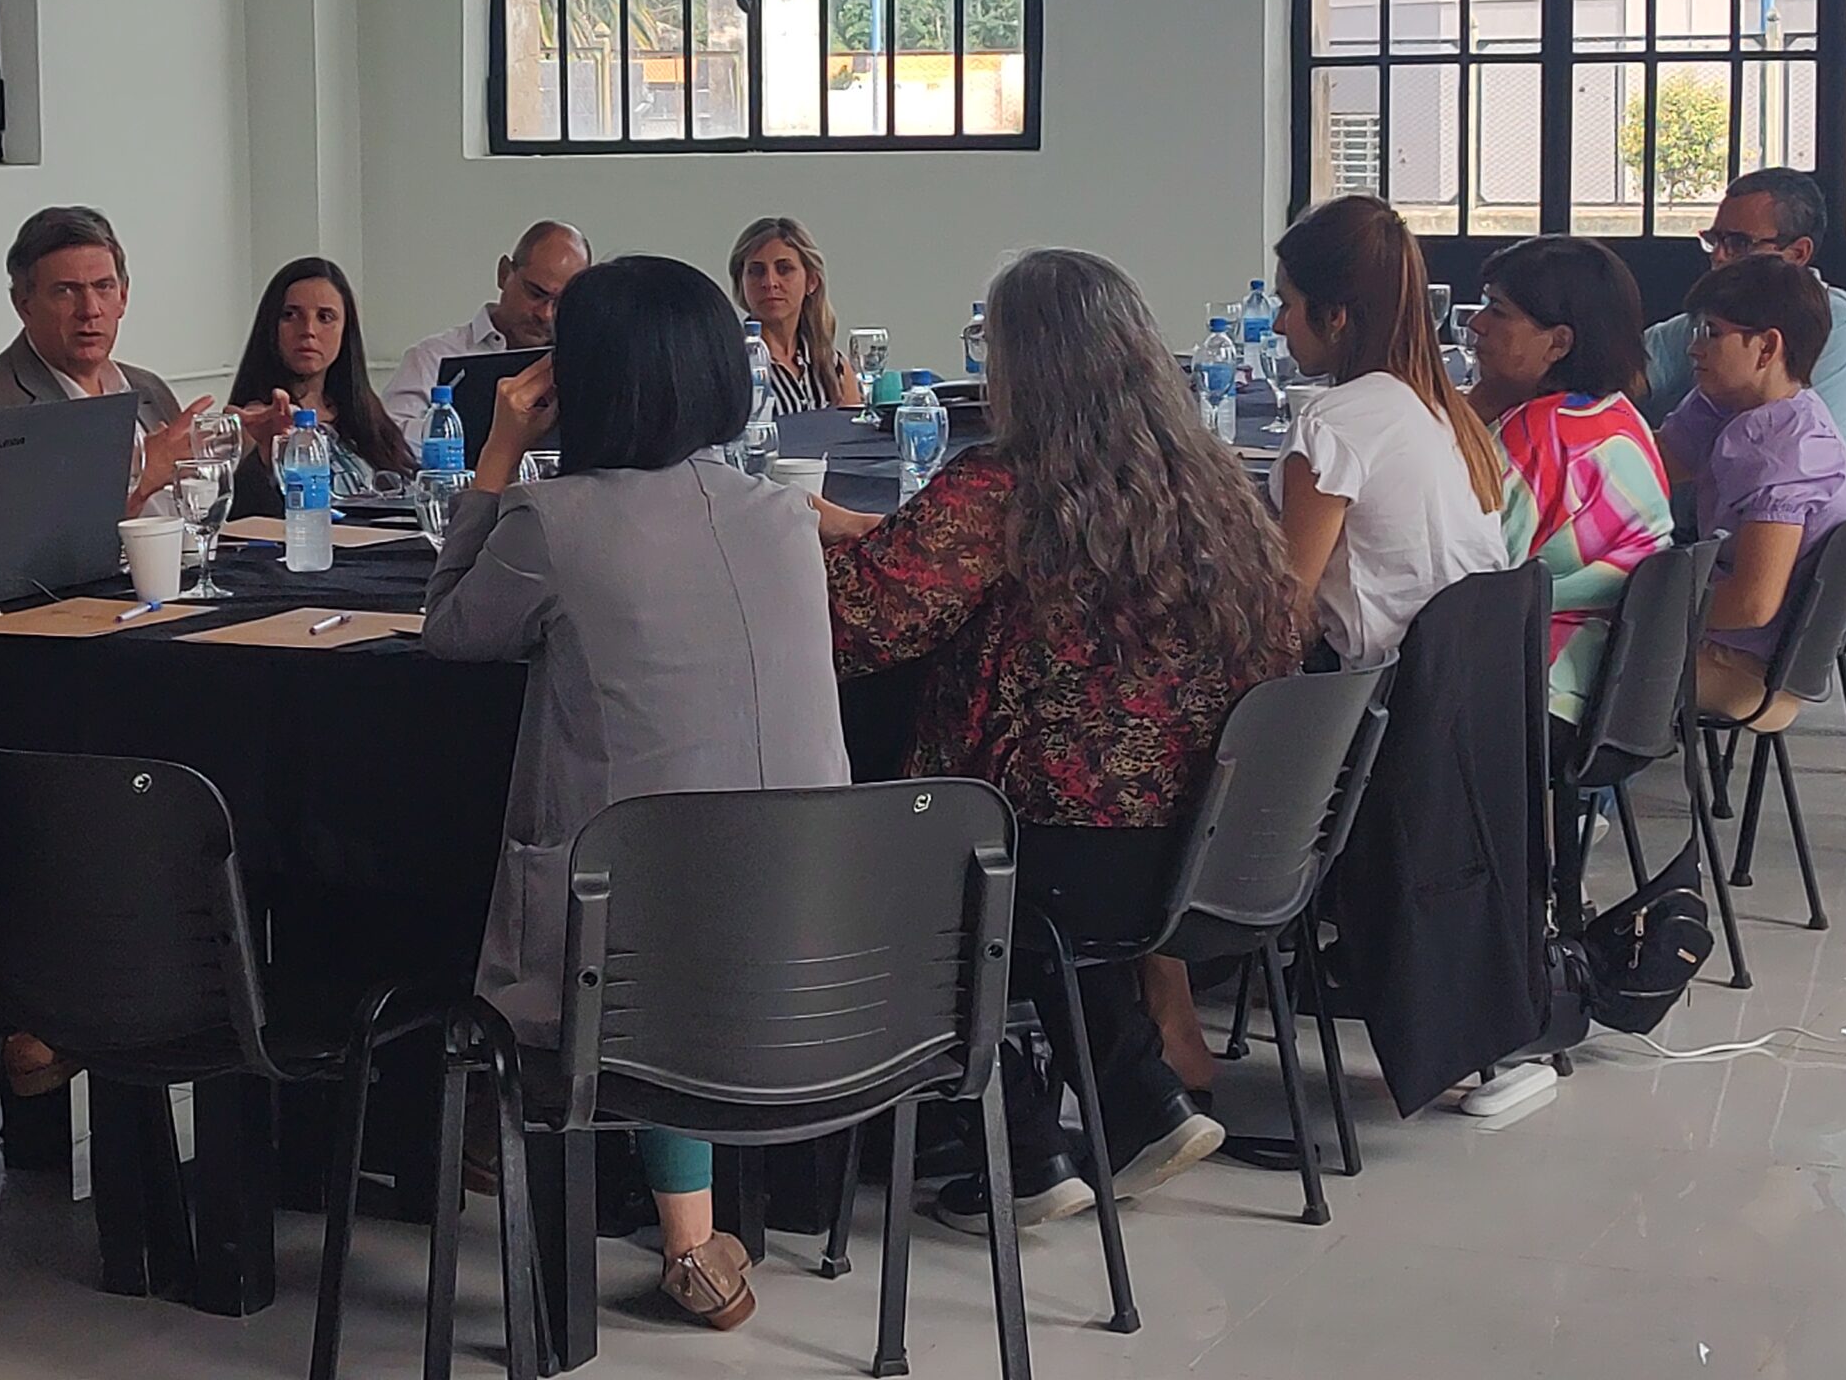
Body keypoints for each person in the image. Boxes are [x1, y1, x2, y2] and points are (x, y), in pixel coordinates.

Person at [816, 251, 1305, 1232]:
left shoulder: (1003, 486)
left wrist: (790, 540)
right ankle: (1140, 1106)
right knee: (1025, 846)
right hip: (1196, 846)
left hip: (1046, 854)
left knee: (892, 847)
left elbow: (855, 625)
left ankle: (1020, 1144)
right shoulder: (1213, 480)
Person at [423, 255, 847, 1333]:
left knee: (591, 881)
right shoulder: (783, 519)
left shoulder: (553, 521)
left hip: (628, 962)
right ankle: (687, 1238)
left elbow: (452, 630)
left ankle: (480, 1145)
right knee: (681, 856)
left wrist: (497, 452)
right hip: (822, 954)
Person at [0, 207, 264, 555]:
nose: (90, 309)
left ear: (123, 296)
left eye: (103, 287)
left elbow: (200, 511)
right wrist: (141, 476)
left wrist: (251, 449)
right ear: (24, 304)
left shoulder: (147, 388)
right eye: (65, 291)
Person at [1271, 195, 1509, 669]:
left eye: (1286, 304)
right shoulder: (1448, 413)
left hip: (1375, 698)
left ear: (1335, 316)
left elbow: (1285, 616)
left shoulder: (1331, 427)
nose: (1278, 325)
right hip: (1477, 689)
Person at [1465, 236, 1674, 731]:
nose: (1476, 324)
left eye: (1498, 310)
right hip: (1621, 695)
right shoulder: (1618, 415)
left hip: (1539, 698)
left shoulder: (1536, 438)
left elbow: (1468, 583)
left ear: (1559, 343)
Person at [1656, 256, 1846, 728]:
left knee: (1562, 657)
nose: (1694, 347)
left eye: (1712, 333)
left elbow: (1752, 604)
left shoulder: (1788, 453)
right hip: (1722, 635)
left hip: (1749, 666)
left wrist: (1642, 607)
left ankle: (1584, 779)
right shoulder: (1727, 400)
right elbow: (1655, 464)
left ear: (1767, 347)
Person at [1640, 167, 1846, 481]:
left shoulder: (1845, 328)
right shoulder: (1714, 320)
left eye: (1739, 243)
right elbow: (1627, 369)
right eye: (1714, 240)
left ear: (1798, 253)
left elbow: (1780, 460)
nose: (1719, 256)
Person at [226, 257, 414, 516]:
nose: (308, 330)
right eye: (290, 315)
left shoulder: (364, 412)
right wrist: (262, 455)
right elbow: (241, 517)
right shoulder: (257, 421)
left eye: (325, 317)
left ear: (345, 330)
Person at [379, 221, 592, 433]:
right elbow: (388, 438)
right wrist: (455, 434)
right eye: (535, 293)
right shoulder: (432, 358)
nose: (545, 314)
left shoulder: (586, 364)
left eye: (562, 302)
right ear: (504, 273)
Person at [728, 215, 862, 415]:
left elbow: (854, 433)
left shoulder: (833, 366)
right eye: (756, 271)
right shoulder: (731, 363)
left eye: (784, 269)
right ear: (741, 282)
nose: (770, 282)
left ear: (812, 281)